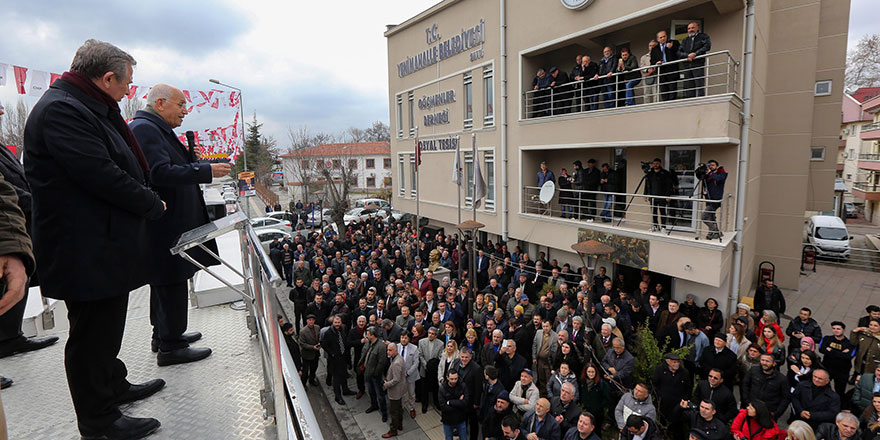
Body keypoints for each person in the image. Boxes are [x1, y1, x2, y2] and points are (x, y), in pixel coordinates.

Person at [24, 39, 167, 439]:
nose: (128, 92)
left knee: (107, 327)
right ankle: (98, 420)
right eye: (126, 84)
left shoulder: (84, 104)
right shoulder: (62, 111)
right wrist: (151, 203)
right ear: (107, 78)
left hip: (100, 243)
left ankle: (113, 385)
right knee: (90, 335)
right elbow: (100, 173)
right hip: (81, 246)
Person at [134, 84, 228, 363]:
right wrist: (204, 171)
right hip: (166, 224)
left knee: (167, 281)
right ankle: (171, 345)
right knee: (170, 280)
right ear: (160, 103)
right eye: (181, 105)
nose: (186, 111)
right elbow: (159, 173)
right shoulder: (146, 129)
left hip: (171, 223)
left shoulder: (156, 129)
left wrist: (188, 161)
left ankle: (163, 334)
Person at [0, 109, 58, 387]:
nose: (1, 111)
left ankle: (10, 337)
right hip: (16, 219)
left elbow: (11, 185)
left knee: (14, 288)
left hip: (15, 226)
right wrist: (41, 203)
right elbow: (10, 190)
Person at [740, 352, 790, 420]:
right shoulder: (753, 371)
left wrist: (776, 413)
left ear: (774, 363)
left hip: (769, 413)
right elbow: (745, 385)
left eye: (767, 361)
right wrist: (747, 401)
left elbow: (786, 398)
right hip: (752, 408)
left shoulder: (782, 379)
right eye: (762, 360)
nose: (764, 363)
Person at [652, 352, 692, 438]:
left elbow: (688, 388)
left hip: (678, 405)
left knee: (678, 427)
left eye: (678, 362)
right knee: (663, 425)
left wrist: (685, 400)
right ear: (668, 362)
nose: (677, 364)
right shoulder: (660, 370)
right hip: (664, 404)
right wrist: (660, 396)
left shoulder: (684, 372)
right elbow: (655, 384)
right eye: (674, 362)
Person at [323, 315, 356, 405]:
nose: (337, 324)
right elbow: (324, 344)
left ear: (341, 323)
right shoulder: (328, 333)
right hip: (334, 359)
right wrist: (332, 353)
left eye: (338, 322)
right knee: (336, 378)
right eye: (335, 323)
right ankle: (338, 396)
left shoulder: (343, 329)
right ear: (333, 323)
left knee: (344, 374)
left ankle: (345, 390)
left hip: (343, 356)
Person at [818, 321, 853, 401]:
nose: (835, 330)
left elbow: (848, 356)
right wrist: (840, 353)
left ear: (844, 330)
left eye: (838, 329)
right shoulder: (827, 338)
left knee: (840, 391)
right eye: (833, 328)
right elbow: (821, 349)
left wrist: (830, 351)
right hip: (827, 368)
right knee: (821, 387)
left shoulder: (849, 343)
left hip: (842, 371)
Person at [677, 22, 712, 98]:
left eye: (692, 28)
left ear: (697, 28)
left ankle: (700, 102)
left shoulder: (703, 36)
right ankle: (690, 103)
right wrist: (687, 55)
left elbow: (707, 46)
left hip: (698, 64)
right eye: (689, 28)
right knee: (689, 86)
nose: (690, 30)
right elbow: (679, 52)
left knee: (699, 84)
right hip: (687, 65)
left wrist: (695, 54)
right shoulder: (685, 40)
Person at [644, 158, 676, 232]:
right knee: (654, 212)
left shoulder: (665, 173)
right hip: (653, 196)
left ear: (660, 164)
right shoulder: (650, 173)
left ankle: (663, 227)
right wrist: (645, 195)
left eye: (657, 163)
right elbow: (647, 185)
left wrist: (668, 195)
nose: (655, 165)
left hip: (662, 196)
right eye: (654, 163)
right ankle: (655, 225)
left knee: (662, 212)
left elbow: (669, 185)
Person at [697, 160, 727, 239]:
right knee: (711, 217)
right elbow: (700, 177)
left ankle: (714, 230)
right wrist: (698, 170)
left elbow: (719, 179)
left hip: (715, 199)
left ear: (717, 166)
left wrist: (710, 172)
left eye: (713, 165)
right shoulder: (708, 175)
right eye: (710, 165)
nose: (711, 167)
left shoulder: (721, 173)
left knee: (704, 216)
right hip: (709, 198)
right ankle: (716, 233)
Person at [383, 343, 407, 438]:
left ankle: (393, 430)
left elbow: (396, 379)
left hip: (395, 391)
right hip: (400, 389)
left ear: (396, 351)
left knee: (393, 411)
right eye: (388, 349)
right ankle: (399, 425)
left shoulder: (396, 363)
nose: (388, 352)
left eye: (390, 350)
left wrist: (386, 384)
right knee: (399, 408)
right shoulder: (399, 358)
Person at [438, 369, 469, 440]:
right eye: (452, 379)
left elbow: (465, 403)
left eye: (456, 379)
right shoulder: (442, 389)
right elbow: (443, 407)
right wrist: (459, 402)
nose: (454, 381)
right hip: (448, 420)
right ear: (447, 377)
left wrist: (450, 402)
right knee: (449, 438)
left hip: (461, 419)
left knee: (464, 438)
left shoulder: (463, 386)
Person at [651, 29, 681, 101]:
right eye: (661, 37)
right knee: (664, 92)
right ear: (658, 39)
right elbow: (652, 61)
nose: (663, 38)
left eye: (664, 36)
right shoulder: (655, 49)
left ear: (666, 36)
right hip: (662, 72)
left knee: (672, 91)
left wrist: (671, 47)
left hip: (672, 70)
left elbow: (680, 52)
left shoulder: (673, 43)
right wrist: (656, 63)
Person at [579, 364, 610, 429]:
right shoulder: (582, 382)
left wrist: (599, 407)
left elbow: (607, 398)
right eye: (589, 372)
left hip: (597, 414)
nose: (591, 374)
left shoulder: (601, 384)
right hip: (585, 411)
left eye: (593, 372)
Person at [398, 332, 421, 419]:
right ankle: (402, 407)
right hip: (399, 375)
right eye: (402, 337)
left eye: (405, 338)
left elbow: (416, 363)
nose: (403, 339)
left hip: (410, 375)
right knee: (400, 392)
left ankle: (412, 408)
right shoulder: (397, 346)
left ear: (409, 339)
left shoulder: (414, 348)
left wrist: (407, 373)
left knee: (411, 393)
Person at [298, 314, 321, 386]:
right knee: (305, 371)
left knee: (314, 368)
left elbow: (318, 337)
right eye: (309, 320)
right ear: (307, 321)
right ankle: (303, 384)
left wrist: (319, 343)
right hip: (307, 355)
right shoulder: (303, 331)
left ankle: (312, 379)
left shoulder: (317, 327)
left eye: (313, 320)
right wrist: (312, 347)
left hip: (315, 353)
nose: (311, 322)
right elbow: (302, 344)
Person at [639, 40, 659, 104]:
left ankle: (655, 106)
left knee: (655, 92)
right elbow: (641, 66)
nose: (652, 47)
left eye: (653, 46)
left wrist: (653, 70)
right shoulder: (644, 57)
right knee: (646, 93)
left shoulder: (659, 55)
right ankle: (646, 106)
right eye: (650, 46)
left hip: (655, 76)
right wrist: (648, 70)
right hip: (646, 77)